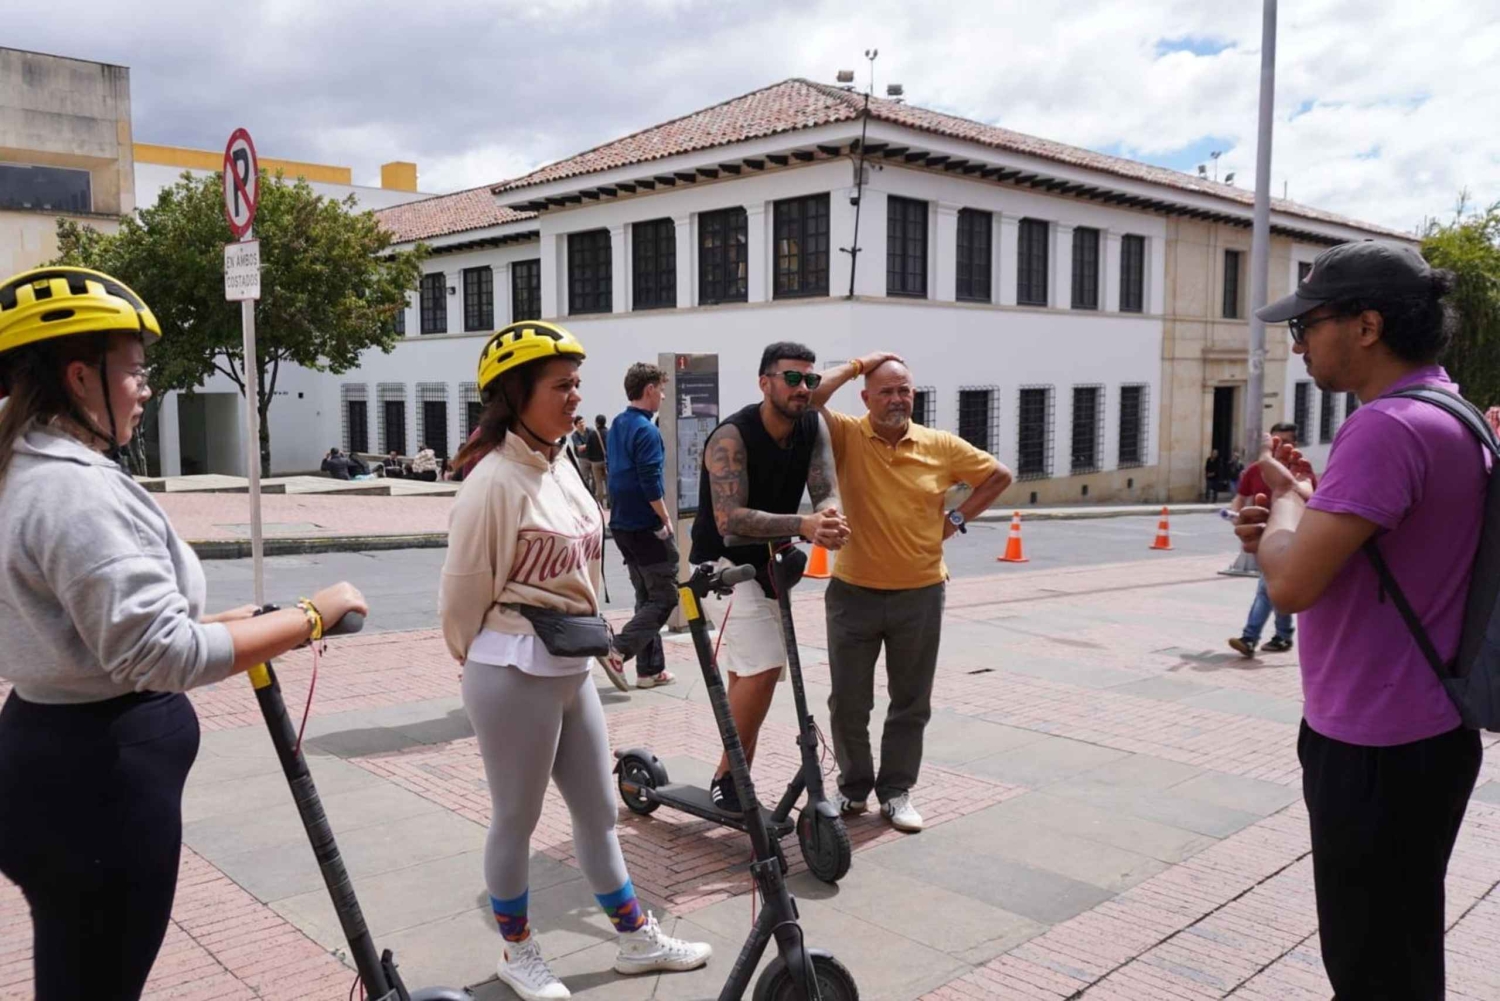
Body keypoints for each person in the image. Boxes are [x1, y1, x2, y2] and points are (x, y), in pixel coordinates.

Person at [0, 266, 367, 1001]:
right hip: (98, 794)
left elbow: (98, 634)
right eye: (134, 370)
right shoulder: (73, 491)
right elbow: (156, 654)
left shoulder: (26, 468)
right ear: (79, 376)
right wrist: (315, 614)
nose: (144, 387)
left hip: (51, 759)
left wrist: (248, 622)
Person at [1234, 241, 1484, 998]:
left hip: (1375, 742)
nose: (1300, 342)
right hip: (1432, 726)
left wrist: (1283, 501)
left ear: (1367, 325)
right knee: (1404, 945)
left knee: (1369, 961)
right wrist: (1306, 515)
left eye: (1307, 324)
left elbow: (1292, 586)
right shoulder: (1454, 411)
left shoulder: (1386, 428)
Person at [440, 320, 710, 1000]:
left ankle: (634, 937)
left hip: (570, 666)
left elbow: (582, 572)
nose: (573, 395)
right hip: (512, 669)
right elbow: (462, 595)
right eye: (559, 386)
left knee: (598, 812)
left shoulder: (560, 464)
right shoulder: (493, 482)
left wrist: (600, 645)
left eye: (576, 383)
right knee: (517, 818)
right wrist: (481, 663)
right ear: (514, 395)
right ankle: (518, 950)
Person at [808, 354, 1012, 832]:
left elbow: (998, 476)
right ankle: (853, 788)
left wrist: (956, 519)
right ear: (865, 398)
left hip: (919, 593)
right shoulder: (846, 434)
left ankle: (896, 791)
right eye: (886, 391)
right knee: (849, 701)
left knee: (911, 701)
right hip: (853, 592)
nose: (898, 399)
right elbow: (812, 398)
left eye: (905, 390)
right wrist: (860, 363)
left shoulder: (939, 445)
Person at [689, 342, 848, 814]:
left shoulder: (811, 426)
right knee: (764, 667)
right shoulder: (731, 438)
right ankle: (728, 775)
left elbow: (824, 487)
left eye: (810, 380)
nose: (804, 388)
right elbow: (728, 520)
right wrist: (802, 526)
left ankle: (738, 775)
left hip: (771, 568)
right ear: (765, 382)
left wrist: (829, 516)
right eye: (793, 378)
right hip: (722, 569)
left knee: (750, 674)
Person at [601, 362, 677, 690]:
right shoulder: (647, 430)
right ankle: (618, 649)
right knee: (665, 597)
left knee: (645, 595)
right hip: (646, 525)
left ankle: (650, 670)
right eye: (660, 389)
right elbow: (649, 480)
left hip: (621, 523)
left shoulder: (618, 423)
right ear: (649, 390)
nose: (662, 395)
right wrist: (664, 516)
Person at [1226, 422, 1303, 658]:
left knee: (1267, 588)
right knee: (1273, 587)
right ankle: (1283, 635)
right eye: (1275, 442)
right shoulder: (1256, 469)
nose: (1281, 446)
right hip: (1262, 538)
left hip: (1290, 537)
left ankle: (1249, 637)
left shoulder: (1300, 470)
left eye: (1286, 441)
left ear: (1295, 444)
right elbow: (1240, 497)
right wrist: (1236, 515)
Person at [586, 414, 609, 506]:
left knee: (598, 482)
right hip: (607, 461)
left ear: (597, 423)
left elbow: (588, 448)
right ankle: (609, 503)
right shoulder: (609, 433)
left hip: (595, 462)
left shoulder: (592, 434)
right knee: (608, 482)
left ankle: (600, 503)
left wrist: (591, 459)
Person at [570, 415, 593, 494]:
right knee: (584, 478)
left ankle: (594, 494)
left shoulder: (590, 431)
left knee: (595, 478)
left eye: (583, 422)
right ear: (576, 425)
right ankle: (587, 493)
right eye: (580, 423)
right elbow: (580, 448)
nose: (582, 424)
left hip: (593, 457)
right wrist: (589, 444)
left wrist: (585, 445)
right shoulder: (574, 435)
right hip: (583, 459)